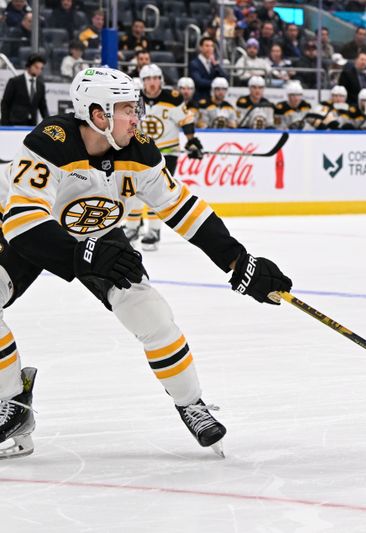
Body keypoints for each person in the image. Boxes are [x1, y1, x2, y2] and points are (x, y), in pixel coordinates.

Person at [0, 67, 292, 459]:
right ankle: (13, 401)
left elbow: (182, 207)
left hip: (97, 232)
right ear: (98, 114)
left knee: (151, 314)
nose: (136, 118)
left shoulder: (139, 150)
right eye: (126, 109)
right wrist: (82, 256)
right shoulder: (51, 142)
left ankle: (192, 404)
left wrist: (237, 260)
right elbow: (22, 222)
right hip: (28, 231)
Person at [124, 64, 204, 250]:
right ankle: (132, 228)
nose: (152, 83)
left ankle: (153, 230)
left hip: (167, 154)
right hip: (141, 153)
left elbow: (186, 120)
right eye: (148, 79)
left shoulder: (172, 98)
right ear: (142, 82)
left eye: (155, 78)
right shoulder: (136, 100)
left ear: (161, 79)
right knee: (132, 192)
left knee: (157, 193)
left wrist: (192, 142)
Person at [1, 53, 49, 126]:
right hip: (14, 123)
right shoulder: (14, 82)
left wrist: (49, 123)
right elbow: (5, 103)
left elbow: (43, 107)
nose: (39, 70)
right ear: (29, 66)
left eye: (41, 68)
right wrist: (5, 125)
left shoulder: (40, 85)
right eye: (36, 67)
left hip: (31, 125)